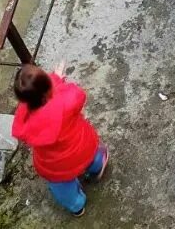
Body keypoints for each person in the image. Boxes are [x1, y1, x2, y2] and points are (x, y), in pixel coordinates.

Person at [11, 62, 109, 218]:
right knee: (92, 156)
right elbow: (79, 94)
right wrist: (57, 79)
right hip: (80, 147)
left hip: (54, 165)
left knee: (62, 187)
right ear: (48, 87)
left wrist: (53, 81)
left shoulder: (23, 116)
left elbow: (39, 97)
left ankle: (76, 206)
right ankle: (97, 167)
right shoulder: (66, 100)